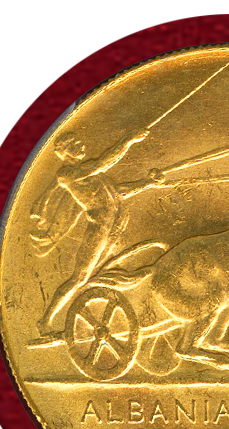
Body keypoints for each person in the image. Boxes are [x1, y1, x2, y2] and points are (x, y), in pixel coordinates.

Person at [30, 128, 149, 335]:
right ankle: (45, 320)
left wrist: (148, 183)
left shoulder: (90, 173)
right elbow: (102, 163)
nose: (82, 145)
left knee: (102, 269)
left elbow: (117, 193)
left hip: (112, 227)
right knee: (80, 278)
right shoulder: (67, 174)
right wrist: (128, 140)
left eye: (78, 142)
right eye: (75, 144)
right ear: (64, 152)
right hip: (99, 229)